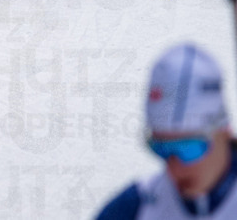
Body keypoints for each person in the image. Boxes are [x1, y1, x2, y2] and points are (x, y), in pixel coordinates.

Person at [95, 43, 237, 219]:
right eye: (160, 149)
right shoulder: (132, 209)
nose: (174, 169)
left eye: (188, 148)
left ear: (225, 131)